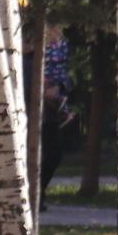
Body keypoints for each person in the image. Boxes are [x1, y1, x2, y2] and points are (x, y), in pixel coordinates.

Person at [36, 80, 80, 212]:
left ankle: (38, 192)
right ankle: (36, 194)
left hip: (51, 118)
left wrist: (60, 87)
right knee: (46, 157)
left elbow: (67, 83)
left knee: (53, 157)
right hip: (38, 116)